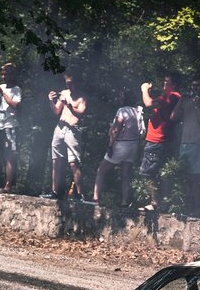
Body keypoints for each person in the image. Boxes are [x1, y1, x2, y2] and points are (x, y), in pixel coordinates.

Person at [92, 88, 144, 207]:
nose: (120, 99)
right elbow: (141, 131)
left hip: (121, 145)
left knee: (101, 170)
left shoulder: (122, 111)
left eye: (122, 96)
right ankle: (125, 201)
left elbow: (116, 130)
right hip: (133, 145)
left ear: (125, 98)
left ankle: (95, 198)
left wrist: (110, 146)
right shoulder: (138, 111)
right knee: (126, 175)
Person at [173, 76, 200, 217]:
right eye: (193, 86)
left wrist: (197, 106)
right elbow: (173, 117)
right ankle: (185, 208)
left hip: (198, 145)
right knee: (183, 177)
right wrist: (181, 100)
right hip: (184, 144)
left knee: (195, 179)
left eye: (198, 85)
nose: (195, 88)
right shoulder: (186, 102)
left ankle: (197, 210)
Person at [138, 73, 182, 212]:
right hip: (161, 140)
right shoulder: (168, 98)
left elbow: (148, 104)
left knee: (148, 172)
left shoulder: (172, 96)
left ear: (173, 85)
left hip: (157, 140)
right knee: (160, 173)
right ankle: (162, 204)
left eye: (166, 83)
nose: (164, 85)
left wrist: (144, 89)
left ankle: (155, 203)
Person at [44, 71, 88, 200]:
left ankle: (80, 194)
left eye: (71, 83)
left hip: (73, 130)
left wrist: (68, 104)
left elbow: (80, 113)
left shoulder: (82, 97)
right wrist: (51, 101)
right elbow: (56, 111)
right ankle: (55, 191)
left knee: (74, 162)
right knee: (55, 160)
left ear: (76, 82)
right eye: (67, 83)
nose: (69, 86)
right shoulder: (64, 93)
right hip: (60, 128)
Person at [0, 63, 22, 193]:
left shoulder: (17, 89)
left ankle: (8, 185)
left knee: (9, 156)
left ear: (12, 75)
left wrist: (2, 92)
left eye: (6, 74)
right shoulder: (0, 87)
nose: (3, 76)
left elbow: (14, 105)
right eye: (2, 74)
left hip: (10, 126)